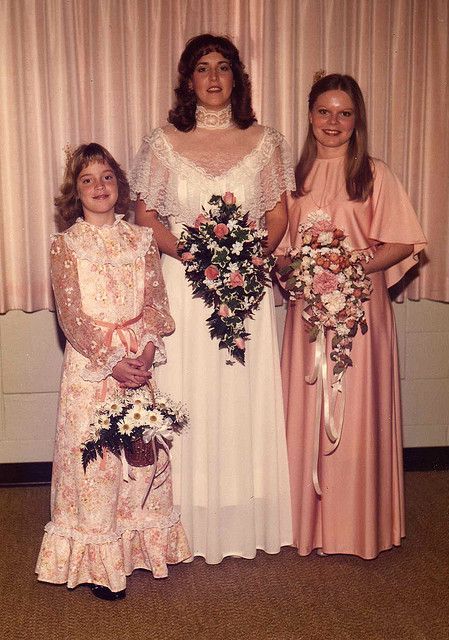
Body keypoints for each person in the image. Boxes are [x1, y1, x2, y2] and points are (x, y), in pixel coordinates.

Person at [129, 34, 294, 563]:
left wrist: (243, 262)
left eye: (224, 68)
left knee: (242, 389)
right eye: (203, 69)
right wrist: (197, 257)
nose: (214, 78)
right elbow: (146, 217)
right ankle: (183, 520)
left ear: (237, 78)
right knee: (189, 391)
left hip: (243, 289)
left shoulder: (267, 141)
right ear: (188, 80)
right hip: (184, 282)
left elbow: (276, 216)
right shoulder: (162, 142)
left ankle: (242, 516)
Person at [279, 73, 427, 559]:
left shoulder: (375, 174)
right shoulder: (289, 178)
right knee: (304, 411)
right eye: (324, 111)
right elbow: (277, 249)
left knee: (358, 413)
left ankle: (354, 526)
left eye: (344, 113)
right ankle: (306, 526)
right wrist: (298, 269)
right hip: (306, 316)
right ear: (309, 116)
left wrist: (350, 265)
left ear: (356, 119)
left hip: (362, 313)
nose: (333, 122)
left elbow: (404, 242)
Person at [36, 143, 190, 599]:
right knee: (96, 462)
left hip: (136, 361)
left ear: (119, 185)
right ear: (75, 193)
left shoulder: (141, 240)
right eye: (87, 180)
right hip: (92, 368)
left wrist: (144, 351)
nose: (99, 187)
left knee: (139, 457)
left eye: (106, 177)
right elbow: (72, 317)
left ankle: (137, 549)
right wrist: (111, 362)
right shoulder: (66, 246)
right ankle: (99, 562)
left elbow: (156, 304)